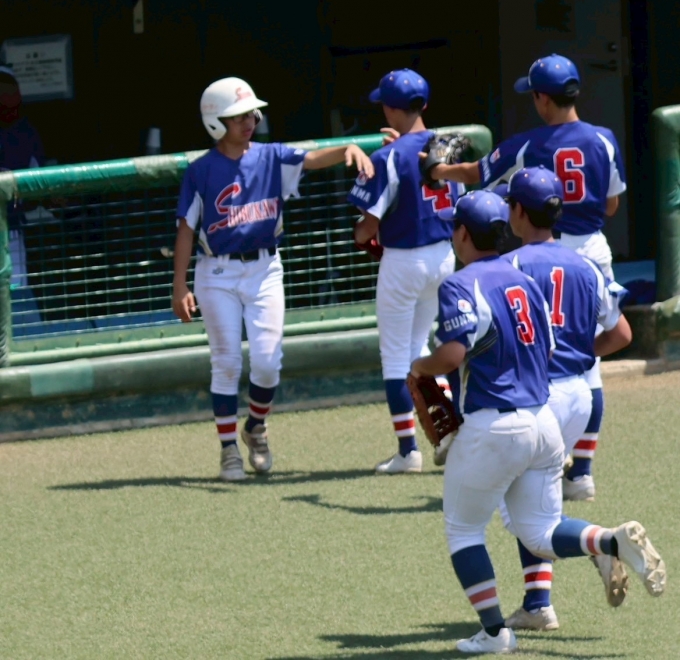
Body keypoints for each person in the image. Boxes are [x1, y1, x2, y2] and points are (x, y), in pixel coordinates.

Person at [409, 191, 665, 655]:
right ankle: (609, 541)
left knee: (464, 531)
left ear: (462, 234)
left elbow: (452, 354)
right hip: (543, 422)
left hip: (494, 425)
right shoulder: (524, 279)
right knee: (541, 532)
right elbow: (548, 347)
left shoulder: (461, 283)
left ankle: (494, 633)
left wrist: (420, 366)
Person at [424, 54, 627, 501]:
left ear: (542, 98)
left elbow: (478, 174)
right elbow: (612, 205)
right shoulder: (604, 138)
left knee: (529, 352)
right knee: (588, 369)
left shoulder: (529, 144)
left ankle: (518, 457)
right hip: (591, 251)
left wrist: (438, 171)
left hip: (542, 253)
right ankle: (581, 470)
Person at [172, 76, 374, 482]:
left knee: (267, 364)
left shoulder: (270, 155)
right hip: (217, 272)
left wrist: (348, 148)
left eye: (251, 114)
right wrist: (179, 286)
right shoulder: (200, 170)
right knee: (226, 363)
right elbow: (186, 229)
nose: (249, 121)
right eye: (238, 117)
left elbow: (311, 158)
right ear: (215, 122)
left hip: (265, 268)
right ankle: (228, 450)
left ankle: (255, 427)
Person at [500, 166, 633, 631]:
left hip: (537, 400)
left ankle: (604, 542)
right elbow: (622, 334)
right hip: (578, 397)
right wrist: (579, 351)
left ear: (518, 211)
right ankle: (538, 605)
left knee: (523, 517)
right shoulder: (586, 265)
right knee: (539, 502)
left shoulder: (510, 267)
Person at [347, 68, 464, 474]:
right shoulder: (448, 148)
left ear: (388, 108)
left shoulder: (387, 157)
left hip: (404, 261)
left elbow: (367, 228)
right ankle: (450, 431)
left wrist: (358, 235)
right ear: (424, 104)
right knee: (422, 350)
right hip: (444, 257)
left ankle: (408, 451)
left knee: (396, 358)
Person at [0, 65, 45, 290]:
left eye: (8, 90)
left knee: (14, 297)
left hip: (11, 231)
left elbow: (37, 192)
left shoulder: (25, 133)